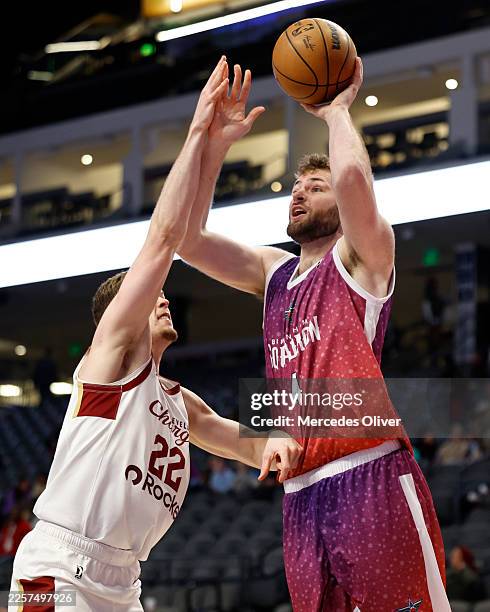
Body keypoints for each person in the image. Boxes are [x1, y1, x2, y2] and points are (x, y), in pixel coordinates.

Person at [9, 58, 302, 612]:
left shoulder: (181, 405)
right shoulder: (111, 360)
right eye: (150, 297)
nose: (163, 297)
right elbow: (166, 238)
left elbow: (252, 445)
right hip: (58, 566)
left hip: (123, 582)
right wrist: (199, 133)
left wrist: (334, 437)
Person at [178, 58, 450, 611]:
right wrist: (212, 147)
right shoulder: (272, 274)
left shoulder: (364, 256)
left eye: (315, 186)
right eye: (296, 186)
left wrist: (336, 112)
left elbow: (354, 180)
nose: (299, 194)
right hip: (300, 498)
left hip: (369, 475)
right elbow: (185, 237)